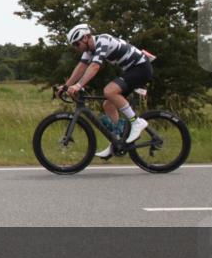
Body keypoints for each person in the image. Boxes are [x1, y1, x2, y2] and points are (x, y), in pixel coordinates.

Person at [61, 24, 153, 159]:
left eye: (77, 43)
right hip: (132, 70)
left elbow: (95, 66)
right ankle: (116, 141)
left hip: (141, 68)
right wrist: (65, 86)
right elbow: (81, 67)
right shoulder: (89, 49)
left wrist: (78, 85)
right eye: (74, 45)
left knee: (109, 91)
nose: (76, 47)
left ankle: (136, 122)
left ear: (86, 37)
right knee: (108, 105)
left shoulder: (103, 40)